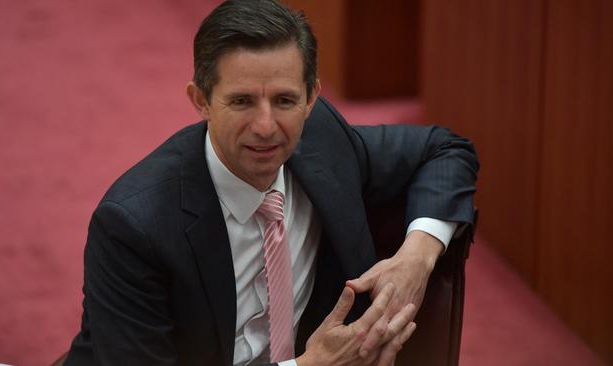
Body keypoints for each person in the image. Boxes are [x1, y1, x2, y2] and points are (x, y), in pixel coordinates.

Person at [64, 0, 479, 365]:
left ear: (311, 98)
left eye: (284, 101)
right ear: (201, 101)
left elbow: (445, 150)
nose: (266, 127)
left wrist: (417, 256)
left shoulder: (325, 139)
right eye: (242, 101)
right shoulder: (134, 226)